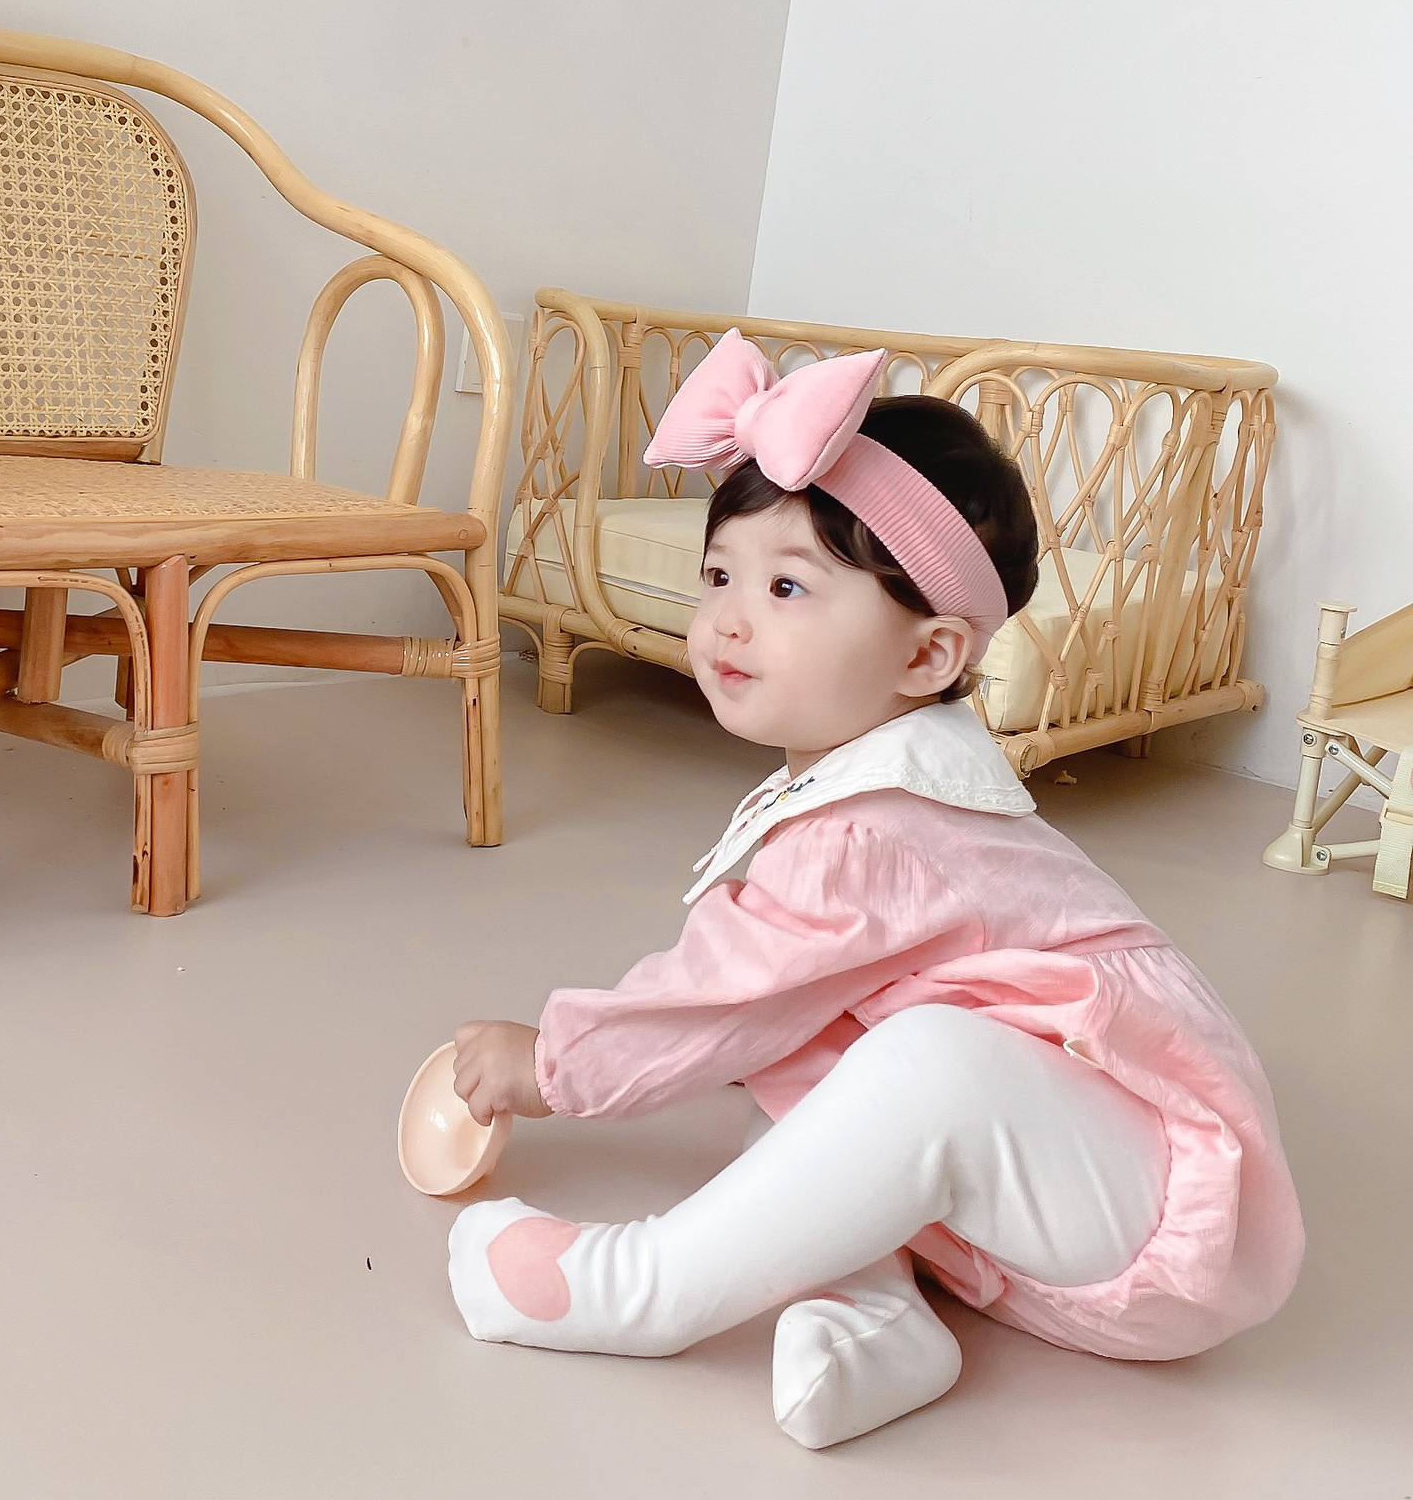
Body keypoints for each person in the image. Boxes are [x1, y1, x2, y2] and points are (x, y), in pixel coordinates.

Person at [446, 333, 1302, 1449]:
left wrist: (554, 1063)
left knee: (918, 1060)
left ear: (925, 658)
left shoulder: (879, 828)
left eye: (786, 587)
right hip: (1013, 1224)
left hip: (1147, 1211)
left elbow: (725, 997)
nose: (727, 619)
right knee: (813, 1075)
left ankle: (640, 1288)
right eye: (719, 576)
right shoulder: (856, 780)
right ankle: (875, 1322)